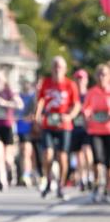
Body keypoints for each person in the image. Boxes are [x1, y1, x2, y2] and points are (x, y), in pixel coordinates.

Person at [34, 56, 80, 200]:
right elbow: (40, 99)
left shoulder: (70, 84)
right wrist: (37, 115)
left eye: (60, 66)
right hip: (48, 122)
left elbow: (76, 105)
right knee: (47, 154)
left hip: (63, 123)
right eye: (54, 65)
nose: (57, 68)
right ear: (51, 68)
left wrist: (69, 116)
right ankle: (48, 180)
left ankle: (60, 184)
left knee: (62, 156)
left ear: (65, 69)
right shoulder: (46, 83)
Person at [0, 68, 23, 191]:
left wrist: (5, 103)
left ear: (4, 79)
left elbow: (19, 104)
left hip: (7, 126)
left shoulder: (9, 91)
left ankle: (11, 169)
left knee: (7, 158)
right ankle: (1, 181)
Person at [81, 63, 110, 202]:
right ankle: (97, 186)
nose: (101, 77)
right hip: (95, 130)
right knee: (97, 161)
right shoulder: (91, 92)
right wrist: (87, 115)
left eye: (104, 74)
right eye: (99, 74)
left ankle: (108, 189)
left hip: (109, 130)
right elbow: (85, 108)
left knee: (109, 163)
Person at [71, 68, 94, 191]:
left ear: (86, 80)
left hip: (88, 128)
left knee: (87, 151)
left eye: (82, 78)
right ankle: (82, 178)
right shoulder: (72, 94)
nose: (80, 81)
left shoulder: (89, 94)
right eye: (78, 78)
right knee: (78, 155)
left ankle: (90, 175)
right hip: (75, 127)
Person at [16, 79, 37, 186]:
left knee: (29, 153)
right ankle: (25, 174)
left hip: (32, 129)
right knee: (24, 152)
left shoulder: (34, 97)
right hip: (20, 129)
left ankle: (29, 173)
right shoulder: (18, 97)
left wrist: (30, 119)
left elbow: (35, 113)